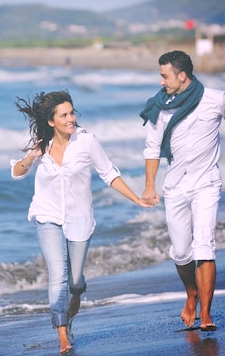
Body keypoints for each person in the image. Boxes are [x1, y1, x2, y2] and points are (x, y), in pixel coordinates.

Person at [11, 90, 150, 354]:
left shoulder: (86, 142)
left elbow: (109, 174)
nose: (70, 118)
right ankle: (62, 333)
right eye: (64, 115)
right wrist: (31, 156)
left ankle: (72, 306)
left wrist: (137, 199)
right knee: (58, 275)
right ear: (52, 121)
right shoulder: (43, 144)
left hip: (79, 218)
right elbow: (17, 172)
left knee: (74, 282)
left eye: (72, 112)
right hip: (47, 214)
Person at [139, 50, 225, 331]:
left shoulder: (216, 99)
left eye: (165, 75)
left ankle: (207, 313)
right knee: (181, 253)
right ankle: (191, 294)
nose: (161, 81)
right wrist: (150, 185)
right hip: (175, 186)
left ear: (182, 76)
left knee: (204, 246)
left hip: (207, 183)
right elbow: (152, 148)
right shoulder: (159, 107)